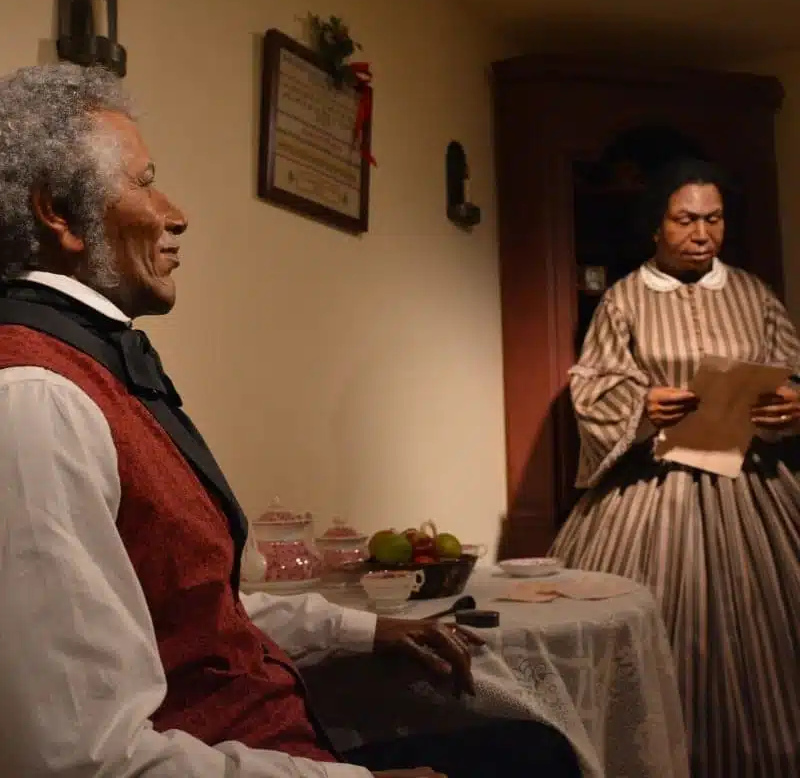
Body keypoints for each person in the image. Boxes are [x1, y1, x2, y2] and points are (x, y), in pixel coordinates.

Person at [0, 63, 581, 778]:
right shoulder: (34, 399)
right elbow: (77, 757)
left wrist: (361, 629)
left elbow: (196, 610)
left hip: (275, 745)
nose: (176, 214)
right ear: (59, 211)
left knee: (536, 743)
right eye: (145, 183)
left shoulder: (78, 371)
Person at [550, 157, 800, 776]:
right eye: (685, 220)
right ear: (655, 226)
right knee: (658, 628)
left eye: (714, 219)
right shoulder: (624, 299)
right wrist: (642, 405)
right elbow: (593, 387)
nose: (702, 234)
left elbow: (791, 370)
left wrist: (790, 404)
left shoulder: (754, 294)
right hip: (654, 487)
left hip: (753, 484)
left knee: (765, 631)